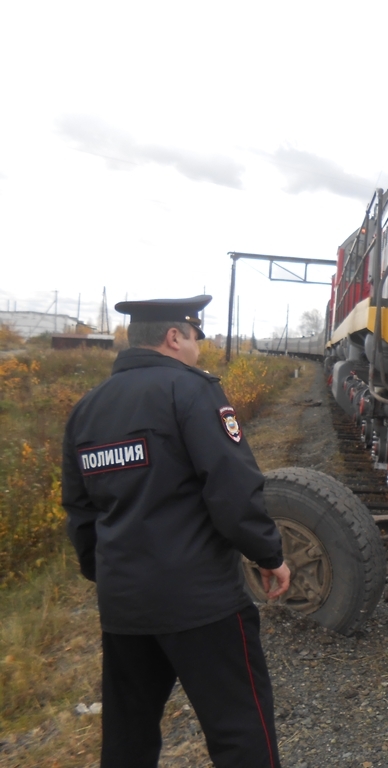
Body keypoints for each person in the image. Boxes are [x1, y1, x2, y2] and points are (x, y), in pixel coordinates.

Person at [61, 295, 290, 768]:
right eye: (195, 338)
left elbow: (81, 513)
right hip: (202, 604)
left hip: (124, 606)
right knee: (240, 731)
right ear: (174, 337)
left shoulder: (86, 411)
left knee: (128, 739)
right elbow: (231, 489)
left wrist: (110, 575)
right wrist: (268, 554)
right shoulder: (190, 391)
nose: (197, 350)